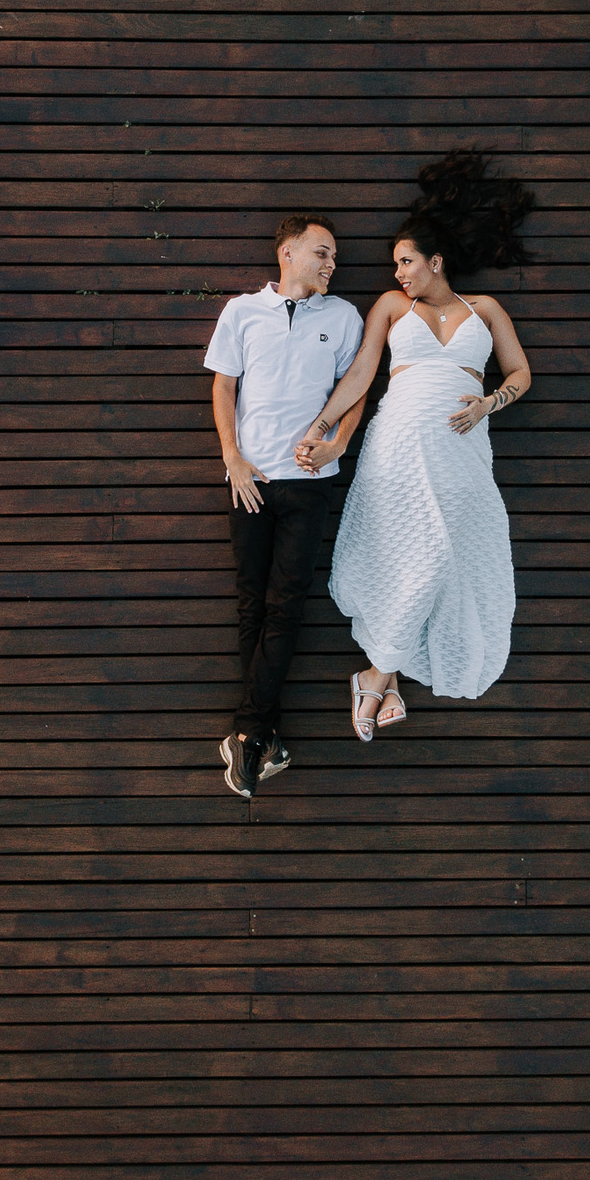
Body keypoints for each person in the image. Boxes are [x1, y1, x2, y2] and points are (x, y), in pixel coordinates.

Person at [295, 152, 532, 737]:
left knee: (448, 560)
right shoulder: (392, 306)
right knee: (410, 560)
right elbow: (361, 374)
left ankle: (375, 677)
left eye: (405, 262)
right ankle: (383, 678)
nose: (398, 272)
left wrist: (489, 403)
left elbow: (520, 373)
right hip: (398, 448)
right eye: (394, 264)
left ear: (435, 261)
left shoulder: (486, 310)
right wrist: (323, 427)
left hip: (462, 452)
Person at [205, 214, 366, 797]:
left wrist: (339, 443)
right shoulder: (242, 312)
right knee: (253, 603)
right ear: (288, 253)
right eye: (322, 252)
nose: (331, 264)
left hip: (310, 482)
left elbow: (355, 390)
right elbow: (224, 385)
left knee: (286, 605)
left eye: (334, 257)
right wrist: (232, 456)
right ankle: (259, 735)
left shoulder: (344, 317)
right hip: (250, 480)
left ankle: (249, 732)